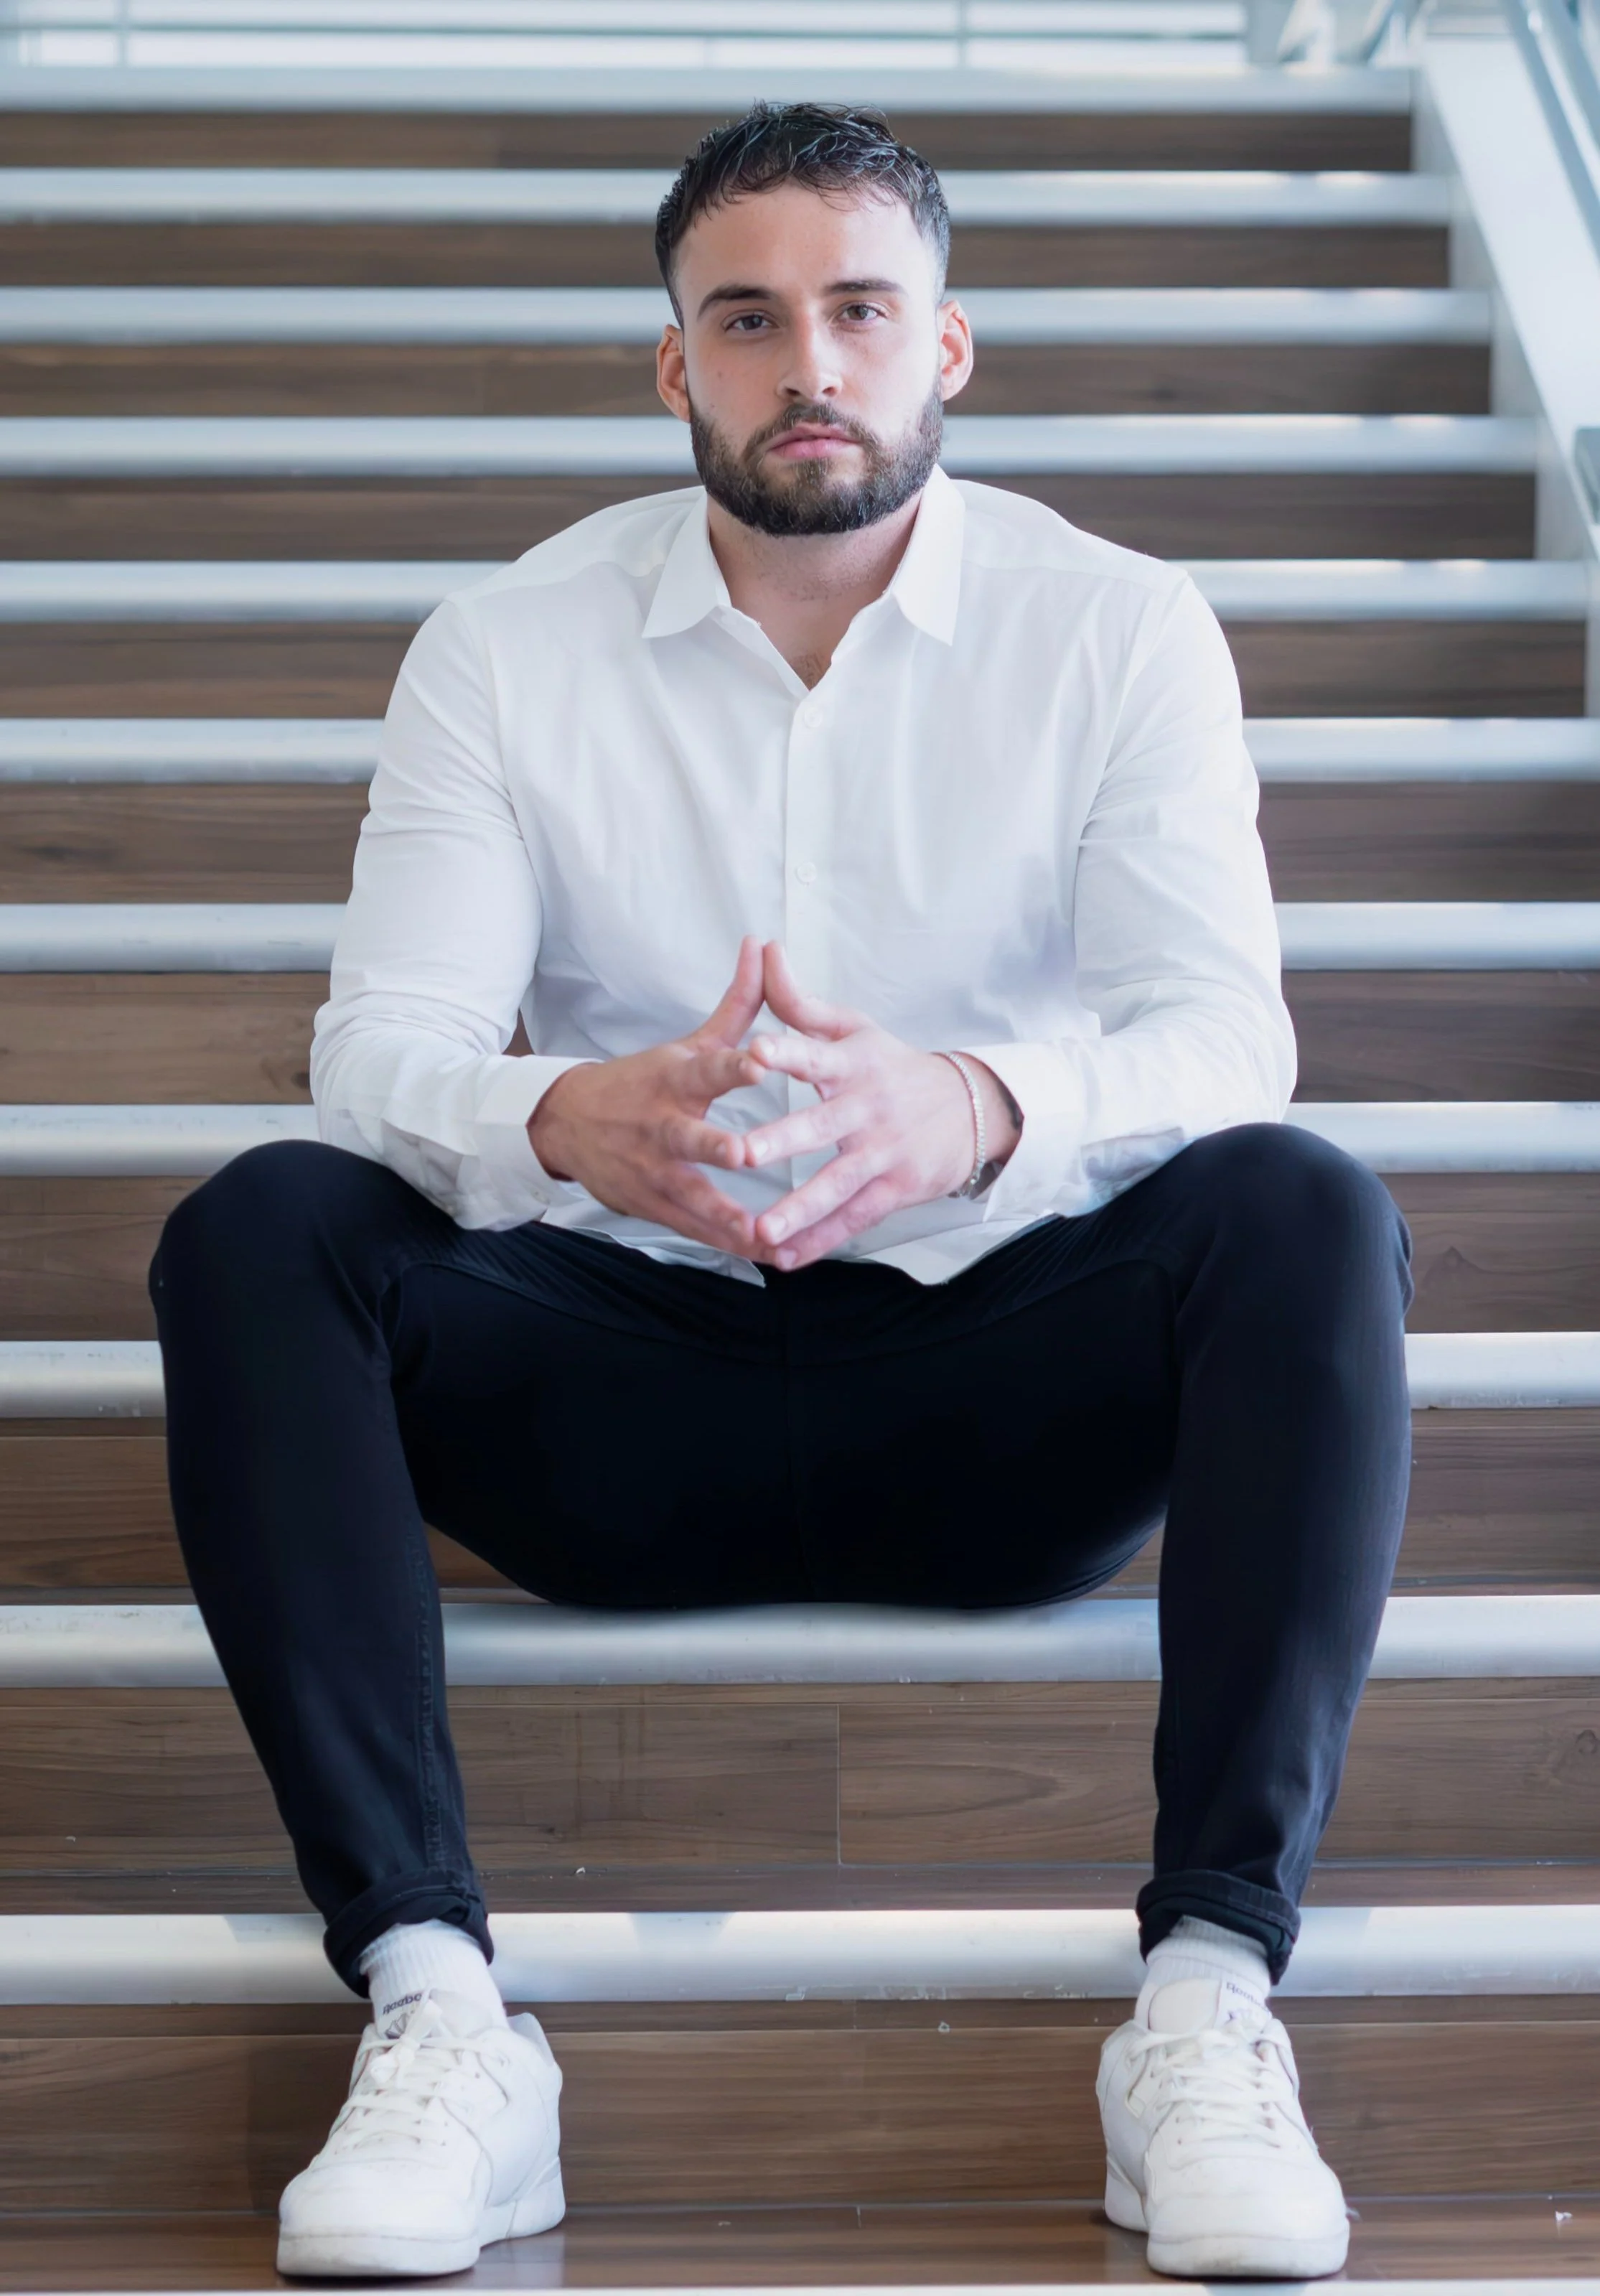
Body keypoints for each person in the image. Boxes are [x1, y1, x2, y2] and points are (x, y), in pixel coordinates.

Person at [149, 101, 1413, 2283]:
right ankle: (444, 2016)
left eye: (857, 310)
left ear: (948, 351)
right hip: (618, 1400)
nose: (806, 363)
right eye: (747, 319)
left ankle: (1204, 2001)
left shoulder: (1116, 626)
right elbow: (379, 1052)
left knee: (1300, 1202)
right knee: (261, 1224)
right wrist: (567, 1121)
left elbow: (1224, 1038)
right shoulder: (503, 644)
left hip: (997, 1393)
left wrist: (971, 1107)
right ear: (675, 369)